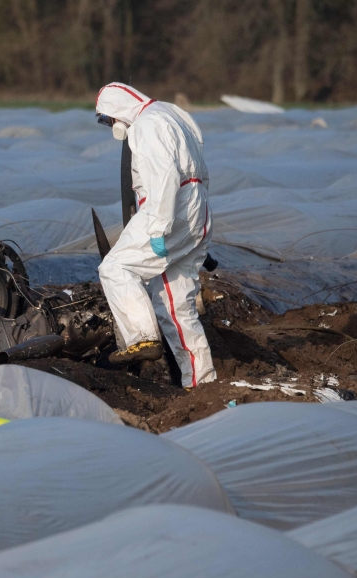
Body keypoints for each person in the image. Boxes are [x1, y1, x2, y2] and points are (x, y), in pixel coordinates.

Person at [95, 82, 216, 388]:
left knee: (115, 268)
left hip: (168, 208)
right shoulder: (174, 115)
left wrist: (160, 227)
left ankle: (141, 338)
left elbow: (164, 177)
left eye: (108, 118)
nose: (111, 125)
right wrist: (194, 227)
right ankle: (201, 385)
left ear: (116, 110)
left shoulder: (145, 125)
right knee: (177, 308)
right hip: (196, 206)